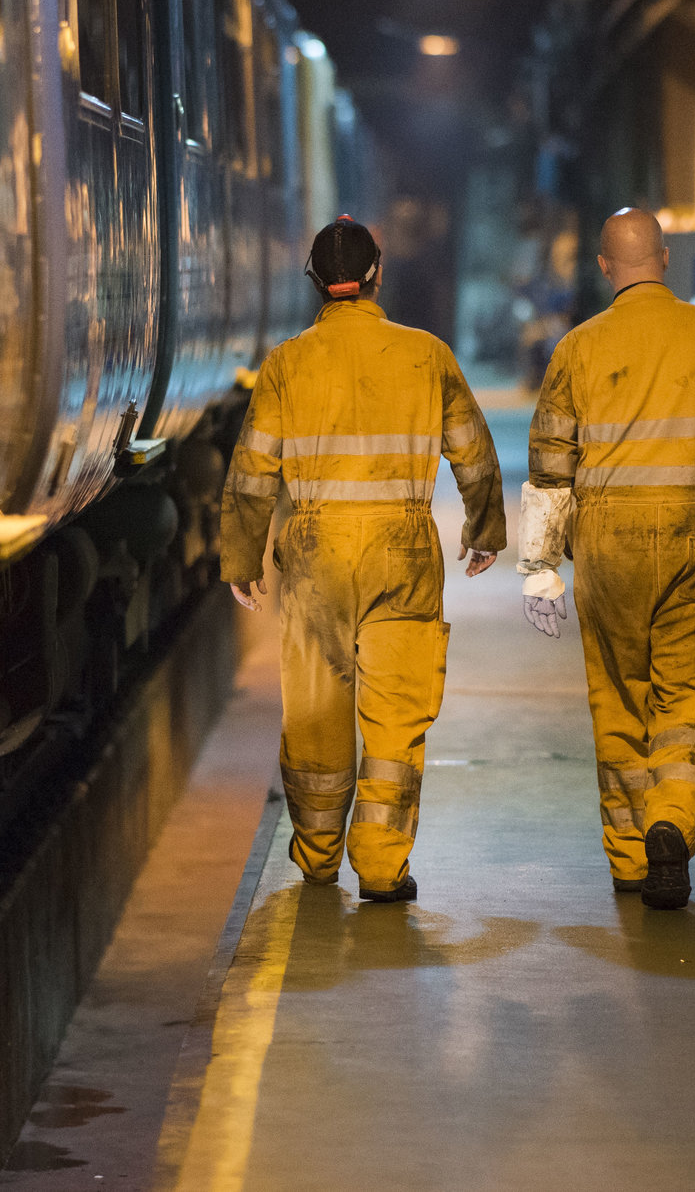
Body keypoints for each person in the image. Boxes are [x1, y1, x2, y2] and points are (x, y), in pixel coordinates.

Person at [220, 217, 506, 903]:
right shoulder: (426, 354)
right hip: (402, 550)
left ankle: (317, 857)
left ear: (316, 284)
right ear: (378, 275)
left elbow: (253, 470)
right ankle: (382, 866)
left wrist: (241, 553)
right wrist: (485, 526)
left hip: (318, 554)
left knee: (317, 711)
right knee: (396, 717)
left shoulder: (286, 363)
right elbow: (472, 447)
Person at [518, 208, 695, 910]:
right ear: (664, 258)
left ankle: (633, 859)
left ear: (606, 267)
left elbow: (549, 471)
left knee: (619, 696)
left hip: (607, 544)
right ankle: (673, 816)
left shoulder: (576, 347)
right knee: (690, 690)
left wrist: (539, 567)